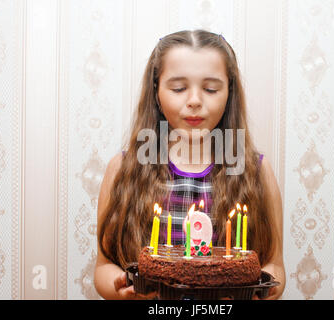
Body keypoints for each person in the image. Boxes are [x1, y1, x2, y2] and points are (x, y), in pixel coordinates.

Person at [94, 30, 285, 300]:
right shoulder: (123, 169)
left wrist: (262, 292)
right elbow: (103, 266)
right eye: (178, 88)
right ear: (157, 92)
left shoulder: (256, 172)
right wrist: (123, 289)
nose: (194, 100)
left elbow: (274, 264)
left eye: (210, 88)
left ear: (229, 93)